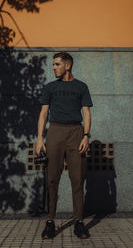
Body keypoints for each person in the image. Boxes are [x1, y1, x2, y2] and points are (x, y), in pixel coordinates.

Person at [35, 52, 93, 239]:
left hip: (76, 133)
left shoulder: (81, 87)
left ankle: (78, 222)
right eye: (53, 64)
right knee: (51, 179)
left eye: (57, 64)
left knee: (78, 179)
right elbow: (44, 113)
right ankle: (50, 221)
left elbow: (86, 112)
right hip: (55, 132)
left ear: (67, 66)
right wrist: (39, 138)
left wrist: (86, 135)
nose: (53, 67)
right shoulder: (50, 87)